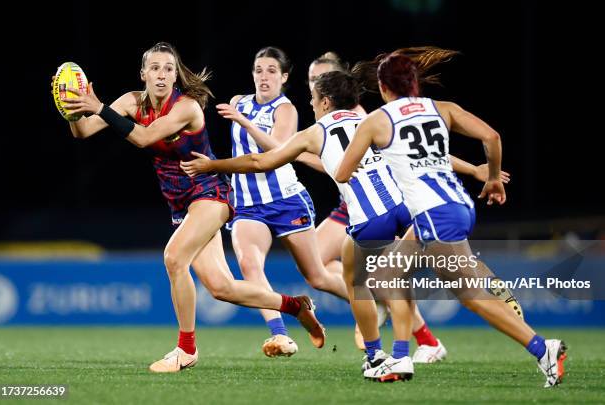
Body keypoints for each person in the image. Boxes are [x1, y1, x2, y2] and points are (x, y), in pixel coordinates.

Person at [56, 42, 325, 373]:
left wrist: (98, 106)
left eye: (168, 68)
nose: (161, 74)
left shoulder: (188, 107)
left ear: (176, 75)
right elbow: (83, 131)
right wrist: (71, 110)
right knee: (221, 288)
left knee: (173, 257)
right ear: (143, 74)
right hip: (181, 203)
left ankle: (187, 349)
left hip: (210, 192)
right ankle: (294, 306)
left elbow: (143, 137)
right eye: (154, 68)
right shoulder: (130, 101)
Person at [334, 47, 566, 387]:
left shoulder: (376, 121)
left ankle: (543, 348)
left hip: (433, 215)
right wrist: (491, 178)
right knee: (386, 273)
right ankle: (400, 356)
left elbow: (342, 173)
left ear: (383, 88)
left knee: (470, 296)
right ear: (414, 84)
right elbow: (492, 137)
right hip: (456, 205)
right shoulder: (443, 109)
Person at [304, 52, 516, 361]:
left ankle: (419, 341)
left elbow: (403, 153)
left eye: (320, 78)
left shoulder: (364, 117)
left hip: (388, 202)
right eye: (311, 78)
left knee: (393, 275)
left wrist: (473, 169)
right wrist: (288, 150)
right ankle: (393, 321)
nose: (314, 85)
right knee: (321, 270)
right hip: (353, 205)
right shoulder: (327, 121)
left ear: (336, 86)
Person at [205, 46, 348, 358]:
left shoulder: (286, 109)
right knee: (249, 264)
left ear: (284, 77)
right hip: (246, 204)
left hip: (285, 202)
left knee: (317, 276)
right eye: (259, 70)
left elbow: (279, 151)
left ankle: (371, 302)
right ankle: (280, 335)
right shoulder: (238, 102)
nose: (264, 76)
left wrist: (244, 122)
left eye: (272, 71)